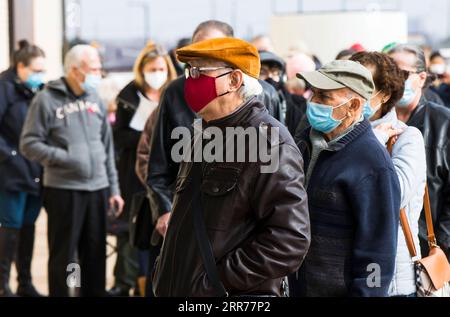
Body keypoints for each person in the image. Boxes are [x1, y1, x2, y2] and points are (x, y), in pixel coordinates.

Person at [152, 37, 310, 297]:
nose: (190, 82)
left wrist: (216, 281)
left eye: (199, 72)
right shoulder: (201, 133)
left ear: (234, 80)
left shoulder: (268, 142)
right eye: (189, 71)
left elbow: (289, 240)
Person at [145, 20, 281, 253]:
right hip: (184, 223)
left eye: (208, 59)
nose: (198, 64)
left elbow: (277, 188)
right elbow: (158, 166)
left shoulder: (265, 95)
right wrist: (165, 210)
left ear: (234, 75)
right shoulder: (175, 93)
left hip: (240, 234)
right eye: (194, 64)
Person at [20, 45, 124, 297]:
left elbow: (106, 149)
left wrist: (114, 188)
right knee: (67, 258)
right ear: (75, 70)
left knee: (95, 254)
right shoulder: (45, 100)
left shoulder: (95, 100)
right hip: (64, 191)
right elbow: (29, 143)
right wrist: (65, 158)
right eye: (94, 69)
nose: (98, 74)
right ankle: (67, 292)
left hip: (98, 189)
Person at [292, 60, 401, 296]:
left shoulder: (373, 164)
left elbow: (378, 256)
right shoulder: (301, 143)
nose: (313, 102)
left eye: (323, 97)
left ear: (353, 106)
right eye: (313, 94)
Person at [351, 51, 427, 297]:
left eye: (363, 87)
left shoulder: (405, 137)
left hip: (390, 281)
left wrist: (370, 142)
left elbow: (393, 196)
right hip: (340, 272)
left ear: (383, 95)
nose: (353, 94)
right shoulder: (333, 135)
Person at [109, 42, 176, 297]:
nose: (157, 73)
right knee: (135, 229)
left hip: (166, 172)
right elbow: (119, 136)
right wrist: (146, 136)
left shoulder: (174, 93)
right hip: (135, 171)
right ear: (142, 70)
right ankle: (130, 280)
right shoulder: (128, 96)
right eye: (152, 68)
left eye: (161, 68)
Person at [388, 44, 450, 261]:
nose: (394, 79)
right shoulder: (373, 120)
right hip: (384, 247)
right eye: (389, 72)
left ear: (422, 78)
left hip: (429, 247)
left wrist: (441, 245)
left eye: (403, 73)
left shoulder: (443, 123)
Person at [0, 40, 46, 297]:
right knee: (10, 226)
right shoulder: (4, 88)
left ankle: (25, 283)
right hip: (11, 172)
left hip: (35, 170)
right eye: (36, 70)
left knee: (28, 226)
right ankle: (3, 285)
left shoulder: (36, 90)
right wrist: (12, 156)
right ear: (20, 66)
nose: (40, 75)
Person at [259, 50, 307, 136]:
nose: (270, 77)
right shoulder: (243, 105)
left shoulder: (293, 106)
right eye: (262, 72)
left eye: (275, 73)